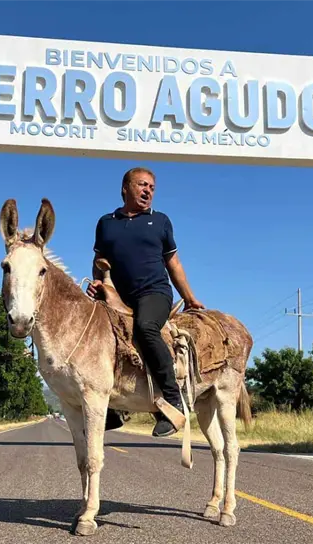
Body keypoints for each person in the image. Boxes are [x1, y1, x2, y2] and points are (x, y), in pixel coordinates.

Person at [86, 166, 204, 437]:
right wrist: (99, 283)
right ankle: (114, 410)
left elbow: (173, 263)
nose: (148, 190)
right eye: (142, 185)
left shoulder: (160, 221)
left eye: (151, 187)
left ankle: (173, 403)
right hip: (118, 296)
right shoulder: (106, 222)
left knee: (146, 327)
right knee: (99, 335)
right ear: (125, 188)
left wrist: (189, 297)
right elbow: (99, 262)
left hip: (154, 293)